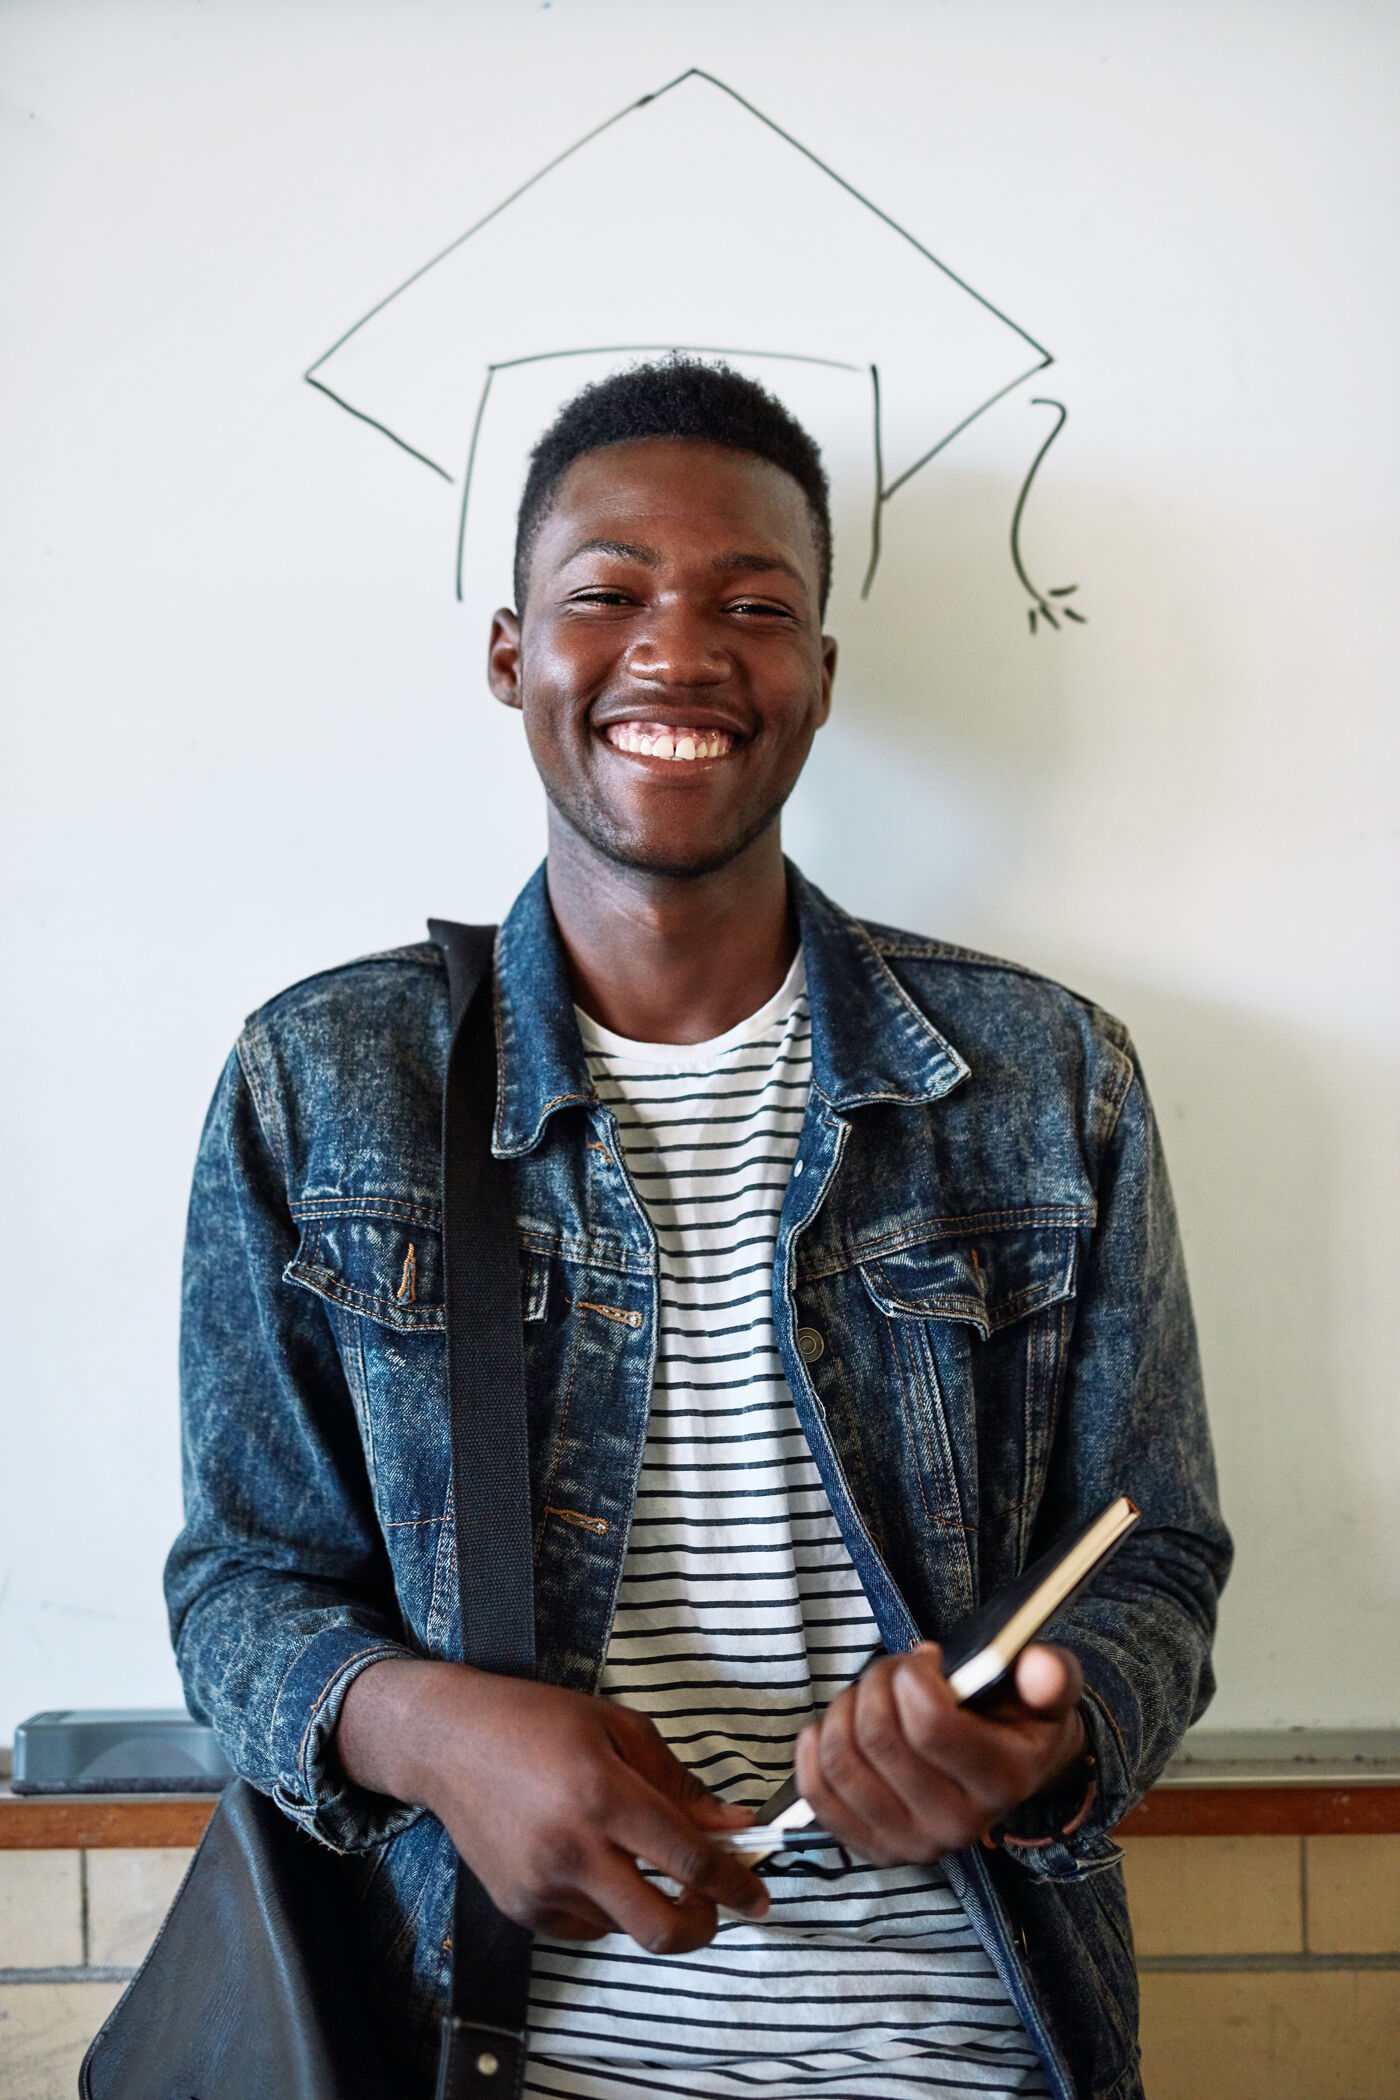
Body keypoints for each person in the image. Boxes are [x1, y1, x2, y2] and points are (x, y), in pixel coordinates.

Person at [167, 359, 1231, 2100]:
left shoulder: (1047, 1079)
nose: (679, 648)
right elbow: (240, 1586)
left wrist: (1037, 1737)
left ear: (818, 677)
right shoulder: (323, 1079)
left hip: (965, 2049)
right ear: (513, 654)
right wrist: (435, 1731)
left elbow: (1156, 1558)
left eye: (754, 604)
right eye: (607, 595)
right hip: (489, 2047)